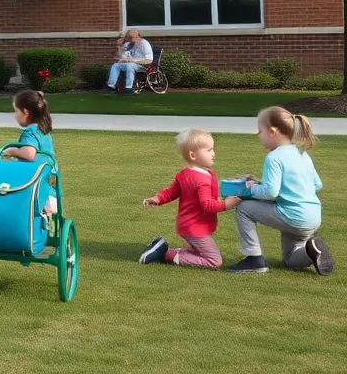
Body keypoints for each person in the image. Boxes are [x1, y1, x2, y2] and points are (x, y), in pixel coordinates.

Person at [227, 106, 333, 275]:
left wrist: (251, 187)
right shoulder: (301, 154)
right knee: (291, 259)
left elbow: (270, 193)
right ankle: (312, 250)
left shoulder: (274, 157)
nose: (258, 136)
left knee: (243, 209)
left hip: (293, 216)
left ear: (272, 131)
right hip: (312, 217)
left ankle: (254, 259)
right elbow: (317, 185)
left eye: (259, 132)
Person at [139, 129, 240, 269]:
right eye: (209, 150)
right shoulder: (201, 179)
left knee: (197, 252)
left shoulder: (186, 174)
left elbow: (170, 192)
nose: (213, 154)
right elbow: (208, 205)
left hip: (188, 225)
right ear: (193, 155)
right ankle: (168, 255)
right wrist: (226, 204)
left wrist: (157, 198)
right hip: (195, 228)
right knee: (214, 260)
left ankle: (161, 248)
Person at [0, 89, 58, 216]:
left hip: (37, 189)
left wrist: (11, 151)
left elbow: (29, 154)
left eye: (16, 111)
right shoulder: (43, 127)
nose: (14, 115)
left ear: (25, 112)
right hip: (51, 189)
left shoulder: (30, 131)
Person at [103, 28, 153, 94]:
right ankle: (111, 86)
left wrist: (133, 61)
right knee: (115, 65)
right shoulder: (129, 44)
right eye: (130, 38)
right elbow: (118, 56)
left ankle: (129, 88)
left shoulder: (144, 44)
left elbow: (149, 60)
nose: (132, 39)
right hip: (130, 63)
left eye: (135, 37)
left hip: (142, 65)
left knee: (130, 66)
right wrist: (119, 46)